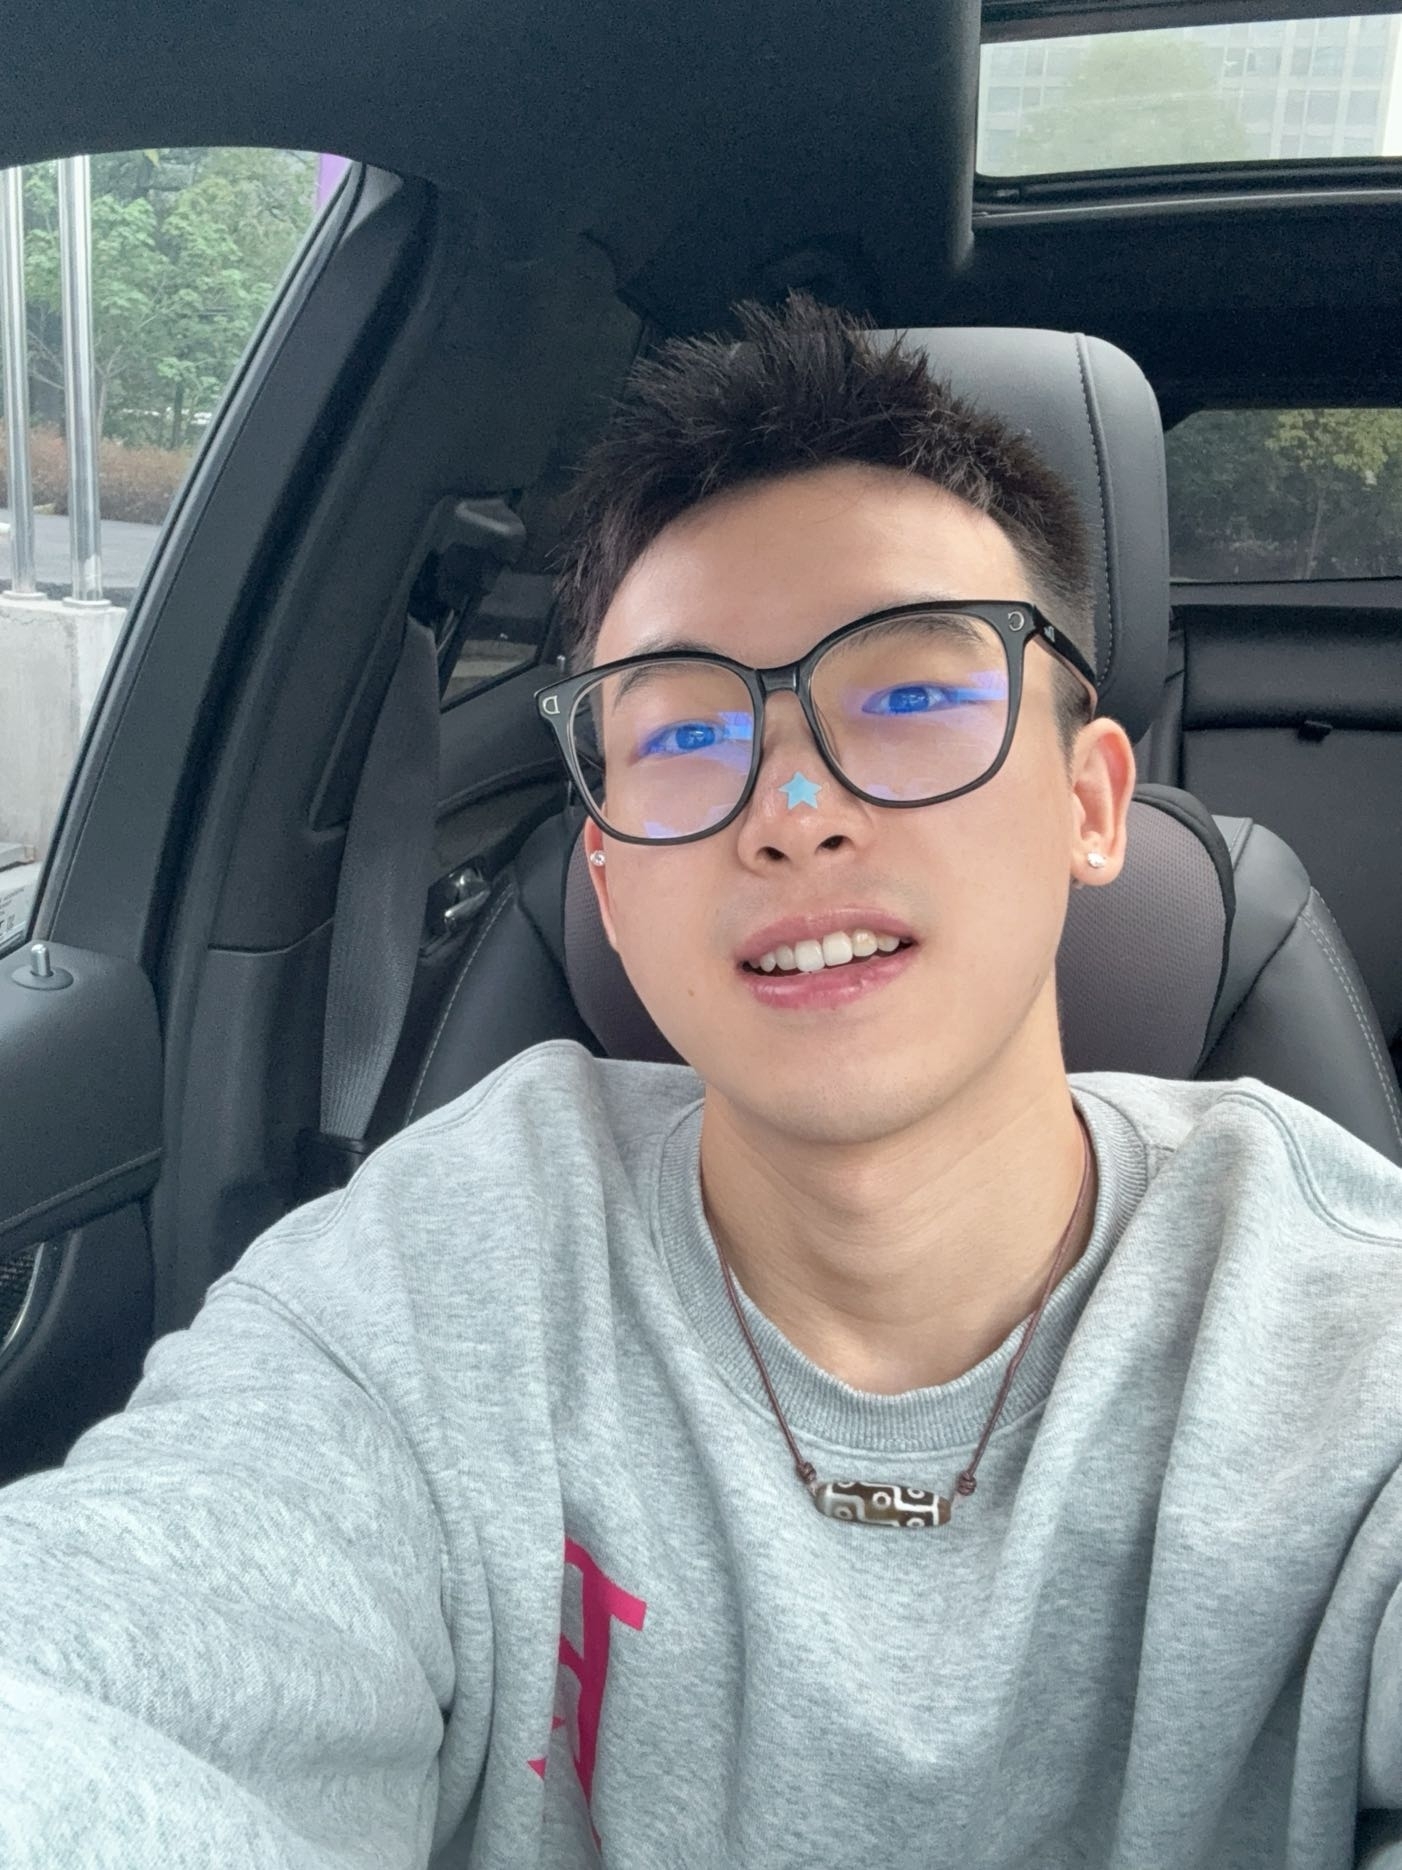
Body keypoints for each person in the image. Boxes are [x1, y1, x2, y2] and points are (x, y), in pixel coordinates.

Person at [1, 292, 1399, 1870]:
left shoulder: (1345, 1334)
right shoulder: (432, 1278)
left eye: (911, 697)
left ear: (1090, 805)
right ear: (609, 881)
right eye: (680, 736)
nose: (790, 810)